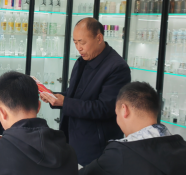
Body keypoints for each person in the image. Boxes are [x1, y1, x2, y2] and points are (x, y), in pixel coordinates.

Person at [41, 17, 130, 165]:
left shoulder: (117, 67)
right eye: (75, 42)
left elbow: (104, 108)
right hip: (72, 137)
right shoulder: (82, 60)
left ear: (99, 38)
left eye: (82, 42)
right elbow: (76, 95)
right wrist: (55, 97)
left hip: (96, 145)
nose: (78, 48)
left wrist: (65, 102)